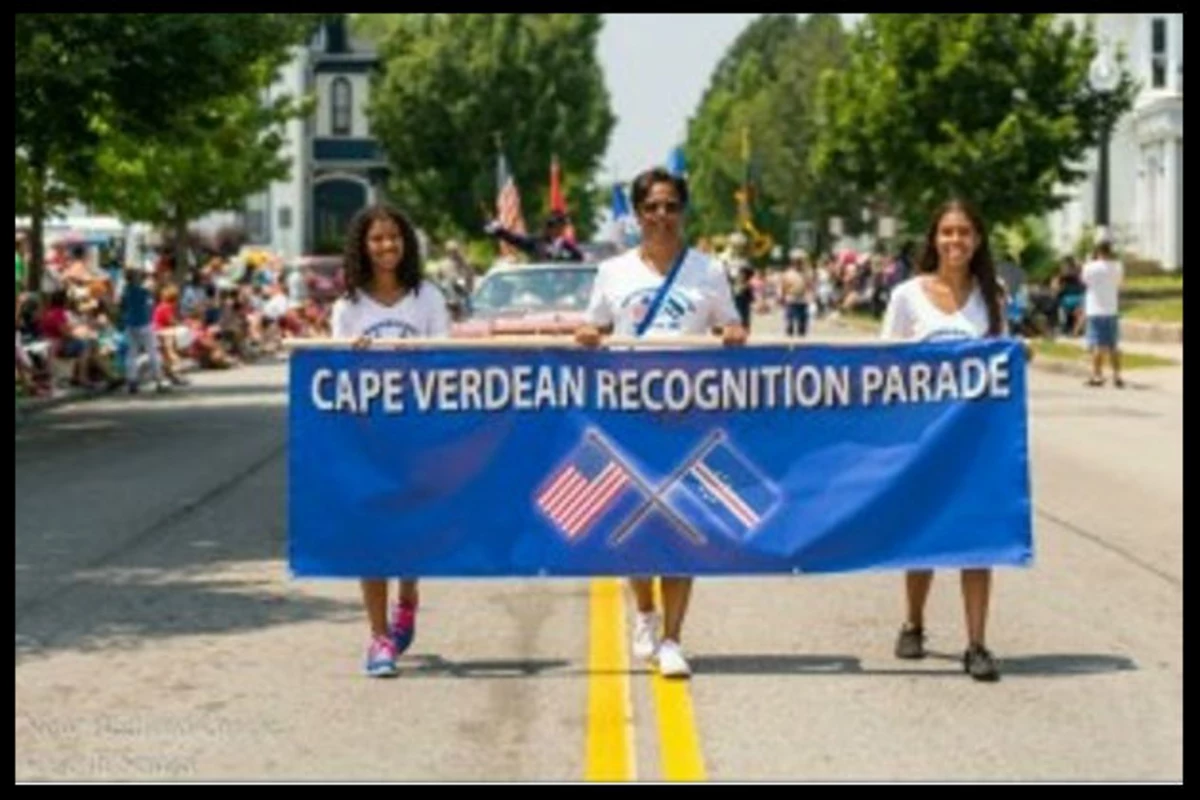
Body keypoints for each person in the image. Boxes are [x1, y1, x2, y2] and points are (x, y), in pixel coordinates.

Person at [575, 167, 747, 679]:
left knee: (682, 526)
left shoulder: (708, 271)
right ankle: (645, 613)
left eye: (671, 206)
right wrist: (588, 334)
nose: (662, 216)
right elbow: (595, 324)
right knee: (634, 526)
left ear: (683, 212)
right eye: (652, 207)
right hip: (629, 413)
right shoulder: (614, 273)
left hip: (690, 415)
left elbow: (729, 323)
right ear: (637, 213)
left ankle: (673, 637)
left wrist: (734, 332)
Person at [879, 198, 1012, 682]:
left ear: (977, 241)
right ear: (934, 238)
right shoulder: (907, 296)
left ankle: (977, 644)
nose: (956, 241)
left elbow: (1003, 361)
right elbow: (884, 368)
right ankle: (913, 622)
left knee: (978, 541)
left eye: (965, 233)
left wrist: (1022, 355)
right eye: (947, 232)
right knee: (925, 538)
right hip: (922, 439)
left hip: (977, 442)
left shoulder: (992, 294)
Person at [330, 203, 451, 678]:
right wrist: (351, 361)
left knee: (411, 529)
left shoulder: (428, 298)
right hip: (367, 434)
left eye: (394, 239)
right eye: (377, 239)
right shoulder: (348, 307)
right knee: (371, 534)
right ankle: (379, 637)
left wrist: (419, 357)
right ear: (363, 245)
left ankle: (409, 596)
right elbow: (331, 376)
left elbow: (448, 361)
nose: (386, 247)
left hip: (417, 431)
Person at [1080, 240, 1124, 388]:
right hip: (1111, 308)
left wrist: (1087, 262)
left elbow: (1084, 282)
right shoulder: (1117, 266)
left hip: (1095, 309)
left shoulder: (1090, 267)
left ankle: (1097, 375)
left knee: (1097, 344)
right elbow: (1119, 283)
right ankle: (1117, 375)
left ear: (1097, 251)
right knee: (1113, 345)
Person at [119, 266, 169, 394]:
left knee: (131, 353)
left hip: (130, 324)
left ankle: (132, 381)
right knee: (152, 351)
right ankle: (158, 380)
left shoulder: (125, 291)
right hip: (144, 323)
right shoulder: (142, 291)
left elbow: (122, 306)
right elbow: (152, 300)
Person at [485, 211, 583, 262]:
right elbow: (515, 239)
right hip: (537, 286)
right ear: (549, 228)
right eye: (556, 227)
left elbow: (579, 260)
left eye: (562, 227)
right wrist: (499, 231)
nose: (559, 231)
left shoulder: (567, 246)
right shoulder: (535, 241)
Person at [781, 250, 811, 337]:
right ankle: (789, 329)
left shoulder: (806, 273)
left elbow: (809, 285)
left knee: (803, 319)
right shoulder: (788, 273)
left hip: (802, 298)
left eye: (800, 261)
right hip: (791, 297)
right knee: (790, 317)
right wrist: (783, 296)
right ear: (792, 262)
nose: (798, 263)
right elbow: (784, 286)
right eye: (796, 261)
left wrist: (810, 295)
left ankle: (801, 331)